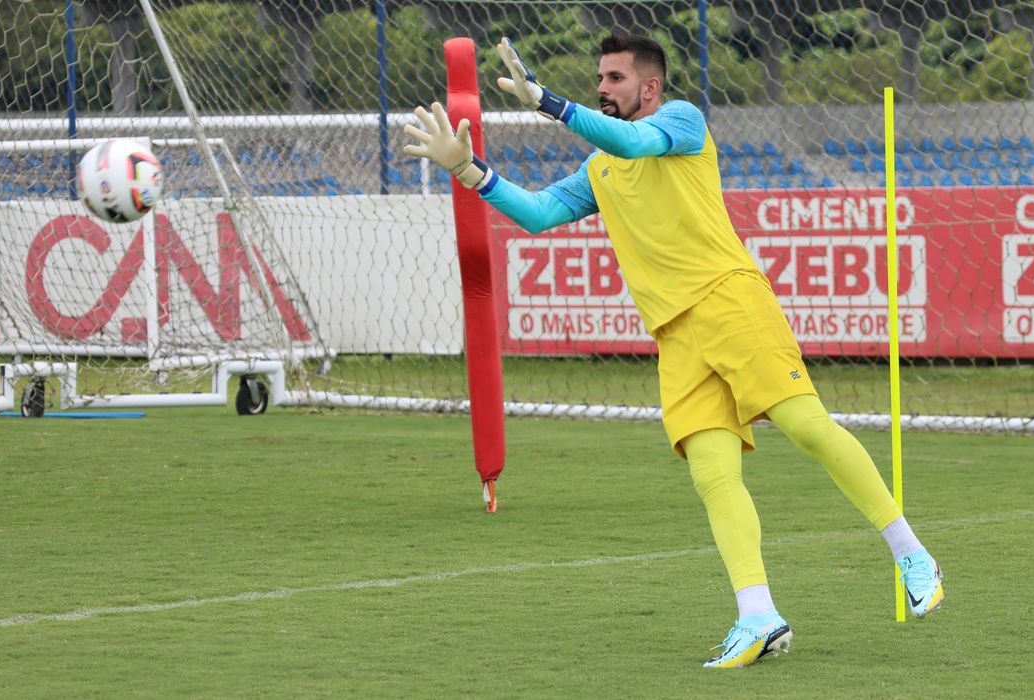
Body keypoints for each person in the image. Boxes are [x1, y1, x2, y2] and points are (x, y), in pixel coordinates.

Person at [402, 34, 944, 668]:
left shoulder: (681, 121)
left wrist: (549, 102)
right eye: (598, 77)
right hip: (674, 332)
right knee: (715, 475)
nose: (602, 86)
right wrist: (468, 170)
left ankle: (911, 552)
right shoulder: (599, 169)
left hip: (731, 301)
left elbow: (634, 141)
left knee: (807, 427)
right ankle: (759, 616)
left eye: (614, 78)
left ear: (649, 87)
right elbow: (540, 213)